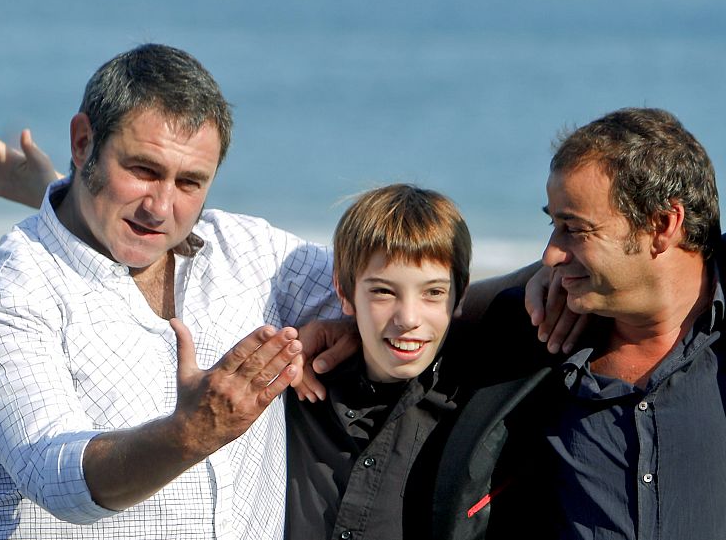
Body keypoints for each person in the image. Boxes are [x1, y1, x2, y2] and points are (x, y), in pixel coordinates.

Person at [0, 43, 346, 539]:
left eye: (190, 182)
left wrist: (344, 323)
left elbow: (411, 294)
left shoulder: (249, 251)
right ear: (83, 141)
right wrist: (192, 431)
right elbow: (58, 475)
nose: (161, 207)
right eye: (143, 171)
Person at [434, 107, 726, 540]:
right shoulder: (528, 337)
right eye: (554, 224)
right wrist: (349, 328)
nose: (552, 253)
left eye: (574, 228)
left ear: (663, 224)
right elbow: (419, 323)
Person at [284, 184, 471, 540]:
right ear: (344, 292)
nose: (408, 318)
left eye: (433, 292)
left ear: (459, 296)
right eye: (384, 291)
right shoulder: (294, 390)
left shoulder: (477, 406)